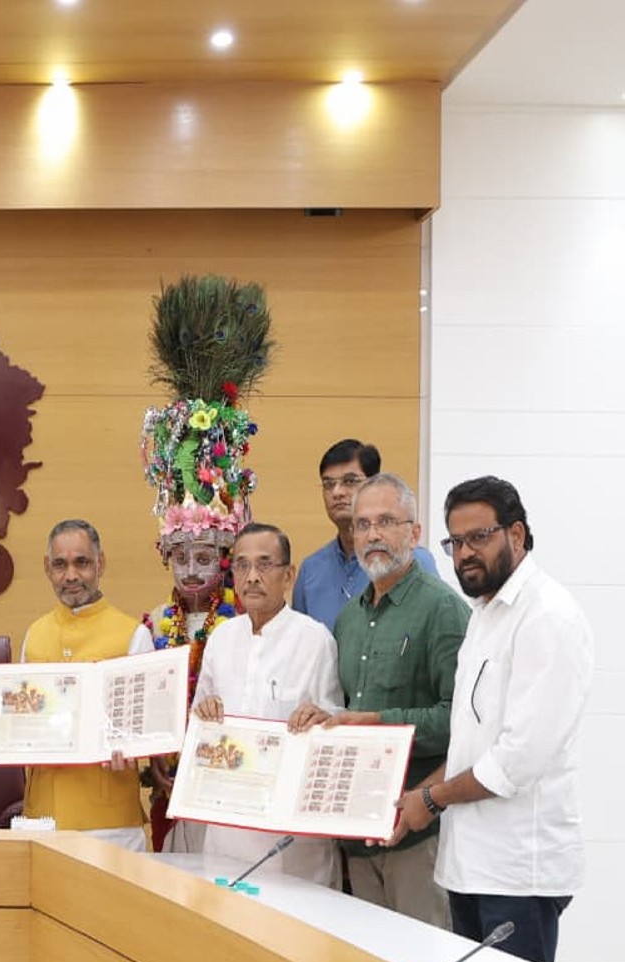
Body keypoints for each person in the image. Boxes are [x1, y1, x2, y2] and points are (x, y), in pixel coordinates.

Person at [388, 477, 593, 962]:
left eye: (479, 537)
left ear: (517, 535)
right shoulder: (484, 615)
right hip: (470, 867)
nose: (464, 554)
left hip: (519, 873)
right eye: (455, 542)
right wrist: (417, 799)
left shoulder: (547, 617)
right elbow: (470, 748)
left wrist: (431, 800)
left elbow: (515, 761)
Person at [289, 473, 465, 928]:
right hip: (358, 829)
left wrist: (377, 722)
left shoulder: (441, 609)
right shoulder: (349, 619)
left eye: (386, 521)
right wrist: (325, 721)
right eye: (363, 525)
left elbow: (461, 722)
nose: (372, 535)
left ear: (415, 533)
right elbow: (352, 711)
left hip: (416, 831)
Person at [138, 274, 274, 852]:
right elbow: (138, 709)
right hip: (170, 784)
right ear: (165, 558)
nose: (193, 571)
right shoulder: (149, 628)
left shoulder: (249, 627)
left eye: (206, 557)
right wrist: (152, 762)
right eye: (183, 558)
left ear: (227, 558)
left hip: (234, 785)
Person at [191, 523, 345, 884]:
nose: (252, 577)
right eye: (242, 566)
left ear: (288, 575)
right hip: (226, 825)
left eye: (264, 565)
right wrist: (203, 713)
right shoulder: (221, 638)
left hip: (289, 834)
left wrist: (322, 719)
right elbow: (198, 721)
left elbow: (334, 721)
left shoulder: (314, 639)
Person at [18, 519, 153, 849]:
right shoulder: (35, 635)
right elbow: (21, 726)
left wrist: (135, 748)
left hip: (109, 822)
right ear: (47, 568)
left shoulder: (133, 635)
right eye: (60, 565)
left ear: (100, 564)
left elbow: (146, 728)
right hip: (42, 818)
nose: (71, 576)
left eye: (82, 563)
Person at [292, 439, 438, 631]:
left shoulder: (412, 559)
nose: (337, 492)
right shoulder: (311, 569)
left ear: (374, 484)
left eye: (349, 481)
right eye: (328, 484)